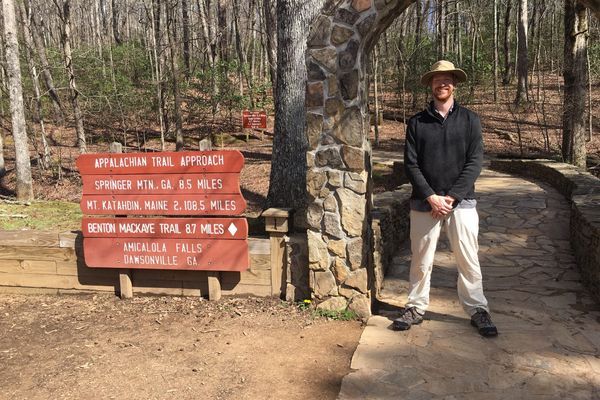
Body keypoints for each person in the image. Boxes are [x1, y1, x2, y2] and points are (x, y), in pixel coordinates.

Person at [393, 60, 498, 337]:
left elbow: (475, 162)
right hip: (424, 203)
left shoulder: (470, 120)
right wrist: (431, 197)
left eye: (447, 79)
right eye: (437, 79)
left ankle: (477, 309)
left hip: (461, 203)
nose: (443, 83)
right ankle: (415, 307)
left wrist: (451, 197)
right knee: (421, 259)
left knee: (468, 259)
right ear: (431, 84)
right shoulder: (417, 122)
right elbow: (411, 164)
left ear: (454, 84)